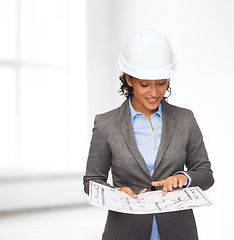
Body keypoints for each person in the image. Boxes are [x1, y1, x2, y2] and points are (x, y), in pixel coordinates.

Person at [83, 29, 214, 240]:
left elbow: (205, 173)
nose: (154, 93)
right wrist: (115, 194)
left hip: (178, 231)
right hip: (125, 231)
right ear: (129, 79)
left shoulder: (185, 119)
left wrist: (184, 177)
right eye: (145, 84)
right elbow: (92, 180)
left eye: (161, 83)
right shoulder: (106, 124)